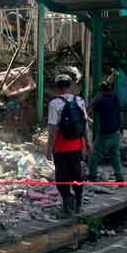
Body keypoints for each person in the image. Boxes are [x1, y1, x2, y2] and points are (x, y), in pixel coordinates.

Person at [47, 74, 91, 217]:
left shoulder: (54, 103)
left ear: (57, 87)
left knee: (61, 176)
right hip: (77, 146)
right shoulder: (79, 100)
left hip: (61, 147)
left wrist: (49, 149)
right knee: (77, 174)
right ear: (70, 85)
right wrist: (88, 143)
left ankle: (68, 202)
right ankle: (78, 204)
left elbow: (53, 129)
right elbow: (84, 124)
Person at [88, 81, 124, 182]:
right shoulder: (115, 99)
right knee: (115, 155)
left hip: (105, 134)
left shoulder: (102, 102)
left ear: (101, 91)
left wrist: (96, 97)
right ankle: (119, 176)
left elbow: (89, 108)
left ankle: (92, 176)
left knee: (95, 154)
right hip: (116, 132)